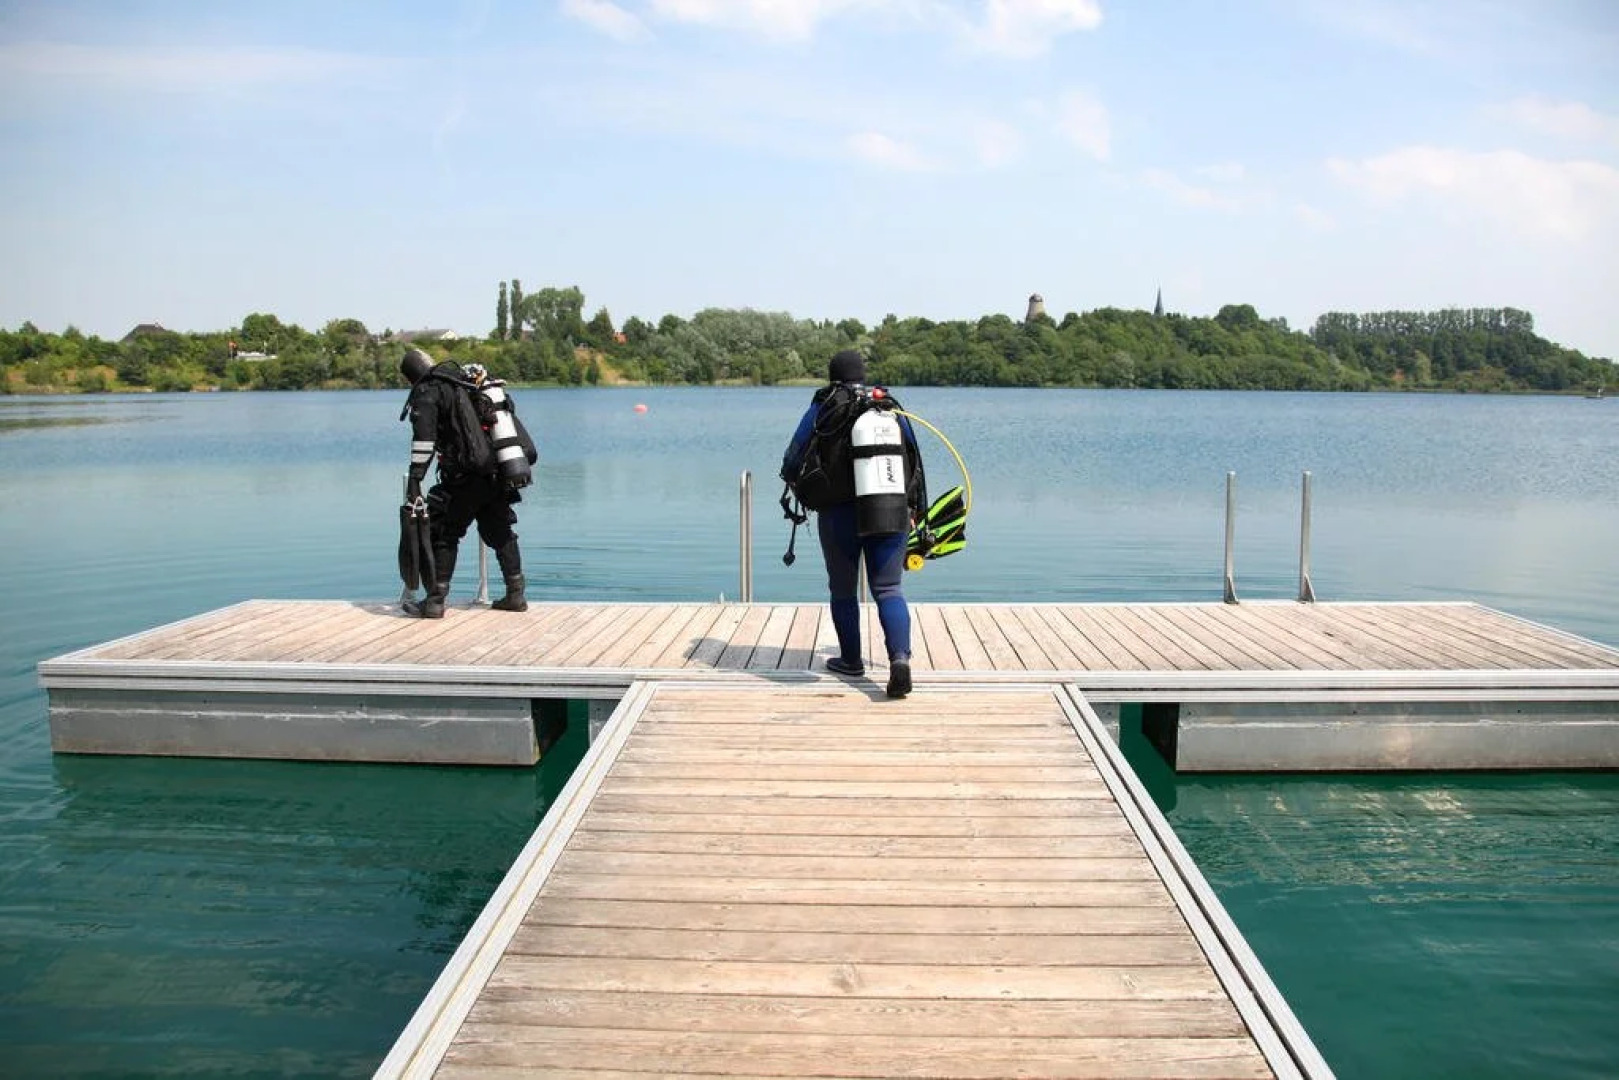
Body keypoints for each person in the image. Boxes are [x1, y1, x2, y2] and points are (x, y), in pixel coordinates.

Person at [781, 349, 923, 698]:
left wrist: (791, 480)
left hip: (838, 513)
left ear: (833, 376)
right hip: (890, 508)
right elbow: (914, 457)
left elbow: (796, 452)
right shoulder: (887, 407)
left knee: (843, 590)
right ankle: (900, 660)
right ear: (863, 375)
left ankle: (850, 660)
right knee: (889, 589)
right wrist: (914, 507)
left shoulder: (825, 405)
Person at [400, 348, 531, 618]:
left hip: (464, 475)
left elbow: (424, 441)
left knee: (445, 532)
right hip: (496, 472)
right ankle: (515, 594)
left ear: (411, 378)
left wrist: (415, 479)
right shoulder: (465, 381)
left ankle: (435, 601)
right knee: (501, 530)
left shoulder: (428, 390)